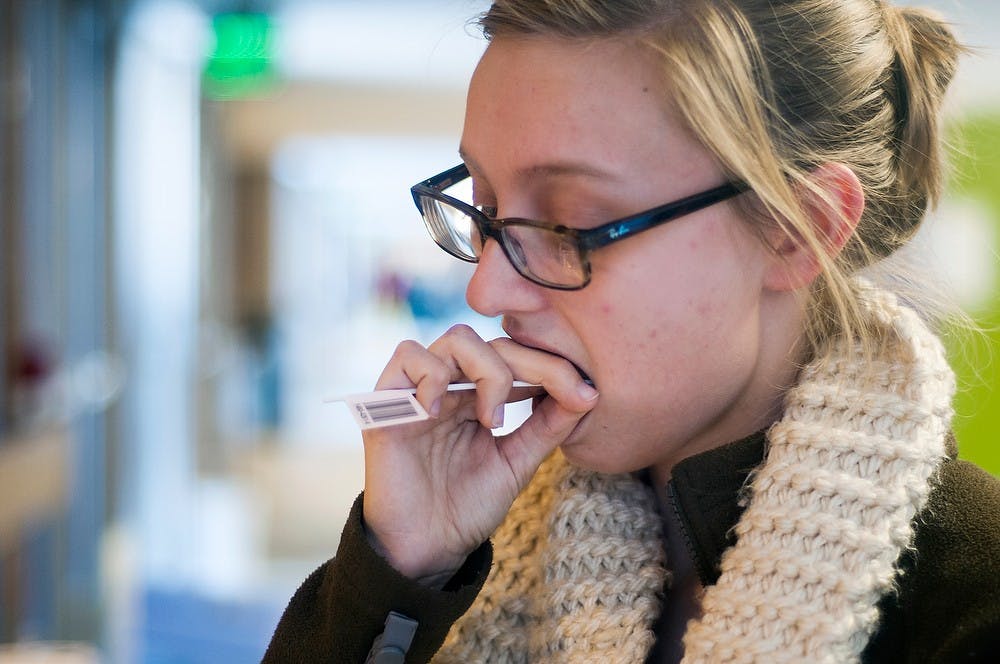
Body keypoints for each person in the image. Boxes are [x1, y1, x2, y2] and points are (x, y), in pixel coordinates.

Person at [262, 1, 1000, 662]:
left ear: (797, 229)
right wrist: (397, 574)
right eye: (485, 209)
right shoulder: (477, 560)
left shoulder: (973, 604)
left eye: (567, 223)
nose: (486, 289)